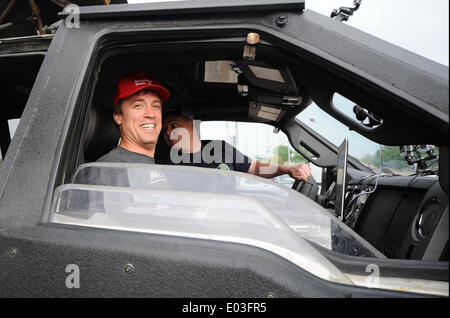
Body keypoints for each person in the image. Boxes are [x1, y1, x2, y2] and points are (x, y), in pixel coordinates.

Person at [160, 114, 312, 182]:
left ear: (191, 126)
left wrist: (287, 169)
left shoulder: (219, 147)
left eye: (174, 125)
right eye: (164, 129)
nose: (168, 132)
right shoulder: (164, 163)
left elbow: (254, 167)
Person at [97, 71, 170, 163]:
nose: (151, 114)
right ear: (118, 116)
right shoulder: (108, 169)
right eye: (138, 105)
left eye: (155, 106)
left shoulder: (162, 165)